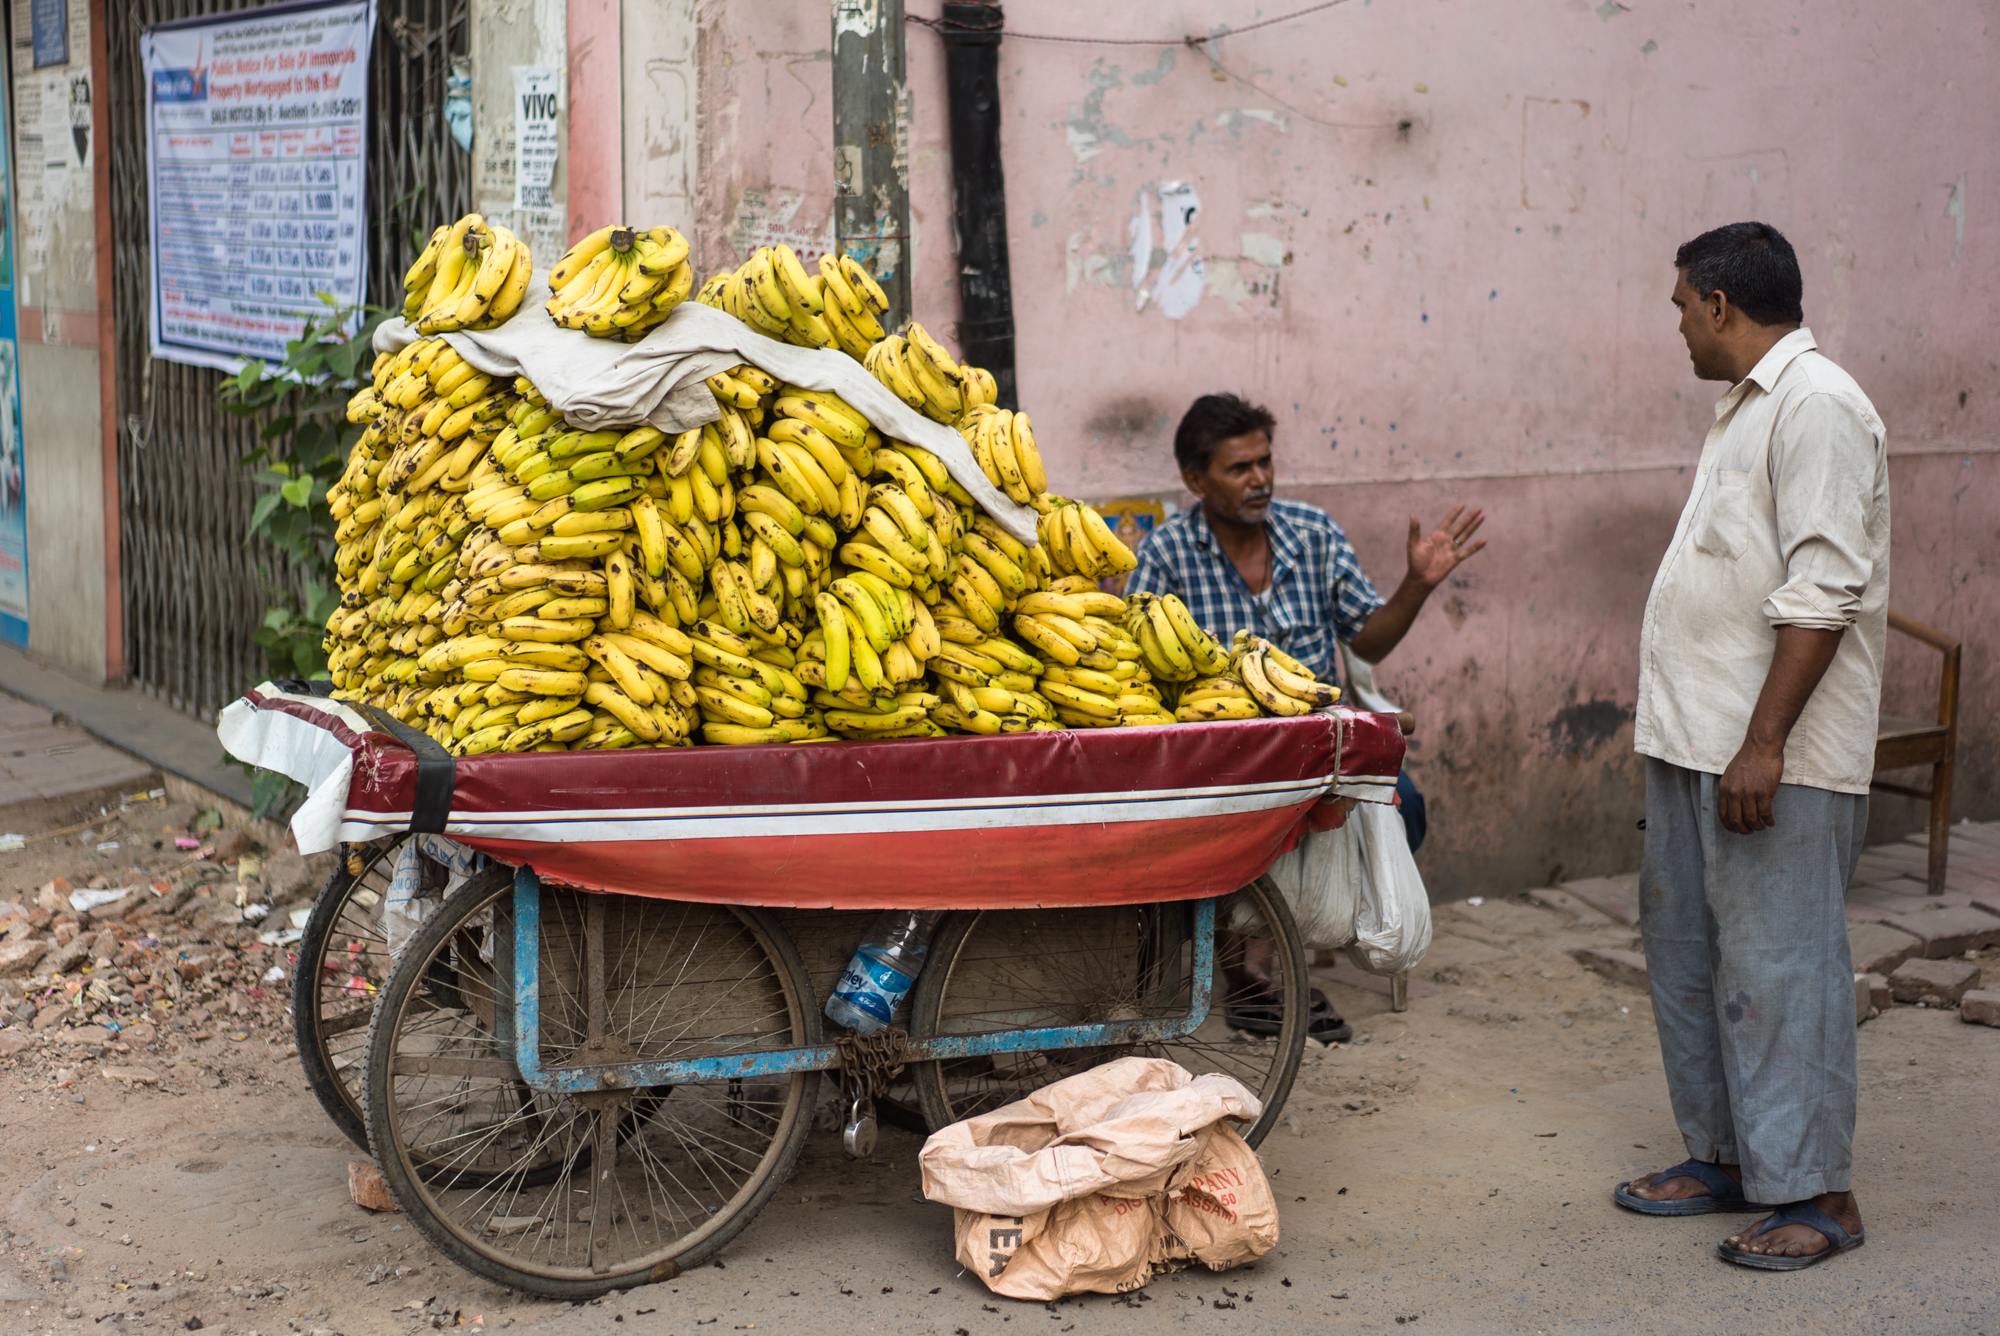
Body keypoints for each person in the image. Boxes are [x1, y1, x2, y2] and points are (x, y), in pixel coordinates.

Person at [1611, 221, 1886, 1271]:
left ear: (1720, 303)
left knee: (1780, 969)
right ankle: (1728, 1157)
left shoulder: (1816, 405)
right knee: (1689, 957)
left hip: (1769, 754)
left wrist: (1761, 741)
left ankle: (1817, 1194)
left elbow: (1822, 589)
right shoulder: (1744, 409)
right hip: (1695, 742)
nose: (1675, 322)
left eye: (1680, 303)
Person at [1125, 393, 1487, 1040]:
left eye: (1265, 462)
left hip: (1324, 752)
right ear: (1195, 480)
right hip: (1222, 759)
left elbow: (1366, 641)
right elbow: (1141, 675)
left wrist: (1418, 584)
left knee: (1405, 803)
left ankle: (1268, 959)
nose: (1260, 479)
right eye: (1239, 468)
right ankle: (1257, 972)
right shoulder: (1165, 557)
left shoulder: (1312, 534)